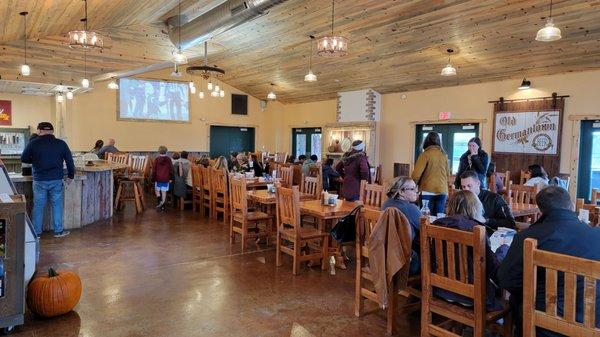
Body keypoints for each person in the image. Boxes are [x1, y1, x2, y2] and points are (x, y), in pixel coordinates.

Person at [497, 186, 600, 337]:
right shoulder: (596, 236)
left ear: (540, 210)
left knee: (517, 299)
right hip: (593, 321)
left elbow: (506, 280)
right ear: (571, 205)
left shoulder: (528, 237)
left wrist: (535, 287)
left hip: (544, 324)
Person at [432, 190, 506, 310]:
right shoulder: (475, 229)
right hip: (472, 296)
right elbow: (492, 267)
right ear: (475, 207)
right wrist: (503, 250)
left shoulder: (436, 225)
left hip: (441, 289)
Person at [21, 122, 74, 238]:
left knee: (38, 206)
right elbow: (70, 161)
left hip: (39, 180)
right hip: (56, 179)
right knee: (57, 205)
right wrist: (71, 176)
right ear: (52, 131)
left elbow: (24, 158)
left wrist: (35, 160)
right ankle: (58, 231)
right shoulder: (61, 144)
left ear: (39, 131)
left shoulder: (33, 143)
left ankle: (36, 233)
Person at [382, 176, 422, 275]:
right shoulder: (411, 208)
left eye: (416, 188)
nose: (416, 191)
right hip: (405, 261)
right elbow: (426, 230)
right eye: (412, 189)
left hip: (383, 255)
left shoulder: (385, 204)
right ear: (401, 192)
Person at [412, 132, 449, 215]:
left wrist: (412, 187)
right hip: (442, 190)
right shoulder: (444, 155)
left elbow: (416, 174)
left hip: (427, 190)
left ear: (426, 141)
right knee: (439, 219)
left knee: (426, 219)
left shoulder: (425, 154)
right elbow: (447, 173)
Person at [152, 145, 173, 211]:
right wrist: (171, 178)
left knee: (157, 190)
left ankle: (159, 200)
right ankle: (163, 206)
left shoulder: (157, 159)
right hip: (166, 178)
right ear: (166, 151)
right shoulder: (169, 159)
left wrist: (153, 178)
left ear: (159, 151)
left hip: (158, 178)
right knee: (164, 192)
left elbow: (154, 170)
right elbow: (171, 169)